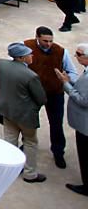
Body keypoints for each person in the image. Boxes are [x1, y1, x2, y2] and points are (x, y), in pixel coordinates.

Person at [25, 26, 80, 168]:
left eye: (51, 41)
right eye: (45, 41)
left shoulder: (61, 51)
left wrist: (67, 79)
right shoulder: (26, 47)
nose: (49, 44)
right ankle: (26, 148)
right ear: (37, 37)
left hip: (54, 93)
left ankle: (58, 152)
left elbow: (72, 72)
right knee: (28, 122)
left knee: (56, 124)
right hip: (33, 94)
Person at [0, 42, 48, 183]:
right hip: (25, 115)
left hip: (6, 109)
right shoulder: (31, 76)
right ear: (21, 58)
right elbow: (41, 98)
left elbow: (0, 81)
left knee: (10, 138)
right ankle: (30, 173)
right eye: (29, 55)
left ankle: (9, 169)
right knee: (30, 142)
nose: (32, 56)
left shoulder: (2, 64)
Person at [56, 42, 88, 196]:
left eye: (79, 54)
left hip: (85, 126)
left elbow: (83, 100)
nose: (76, 57)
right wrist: (72, 81)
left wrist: (66, 84)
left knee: (85, 155)